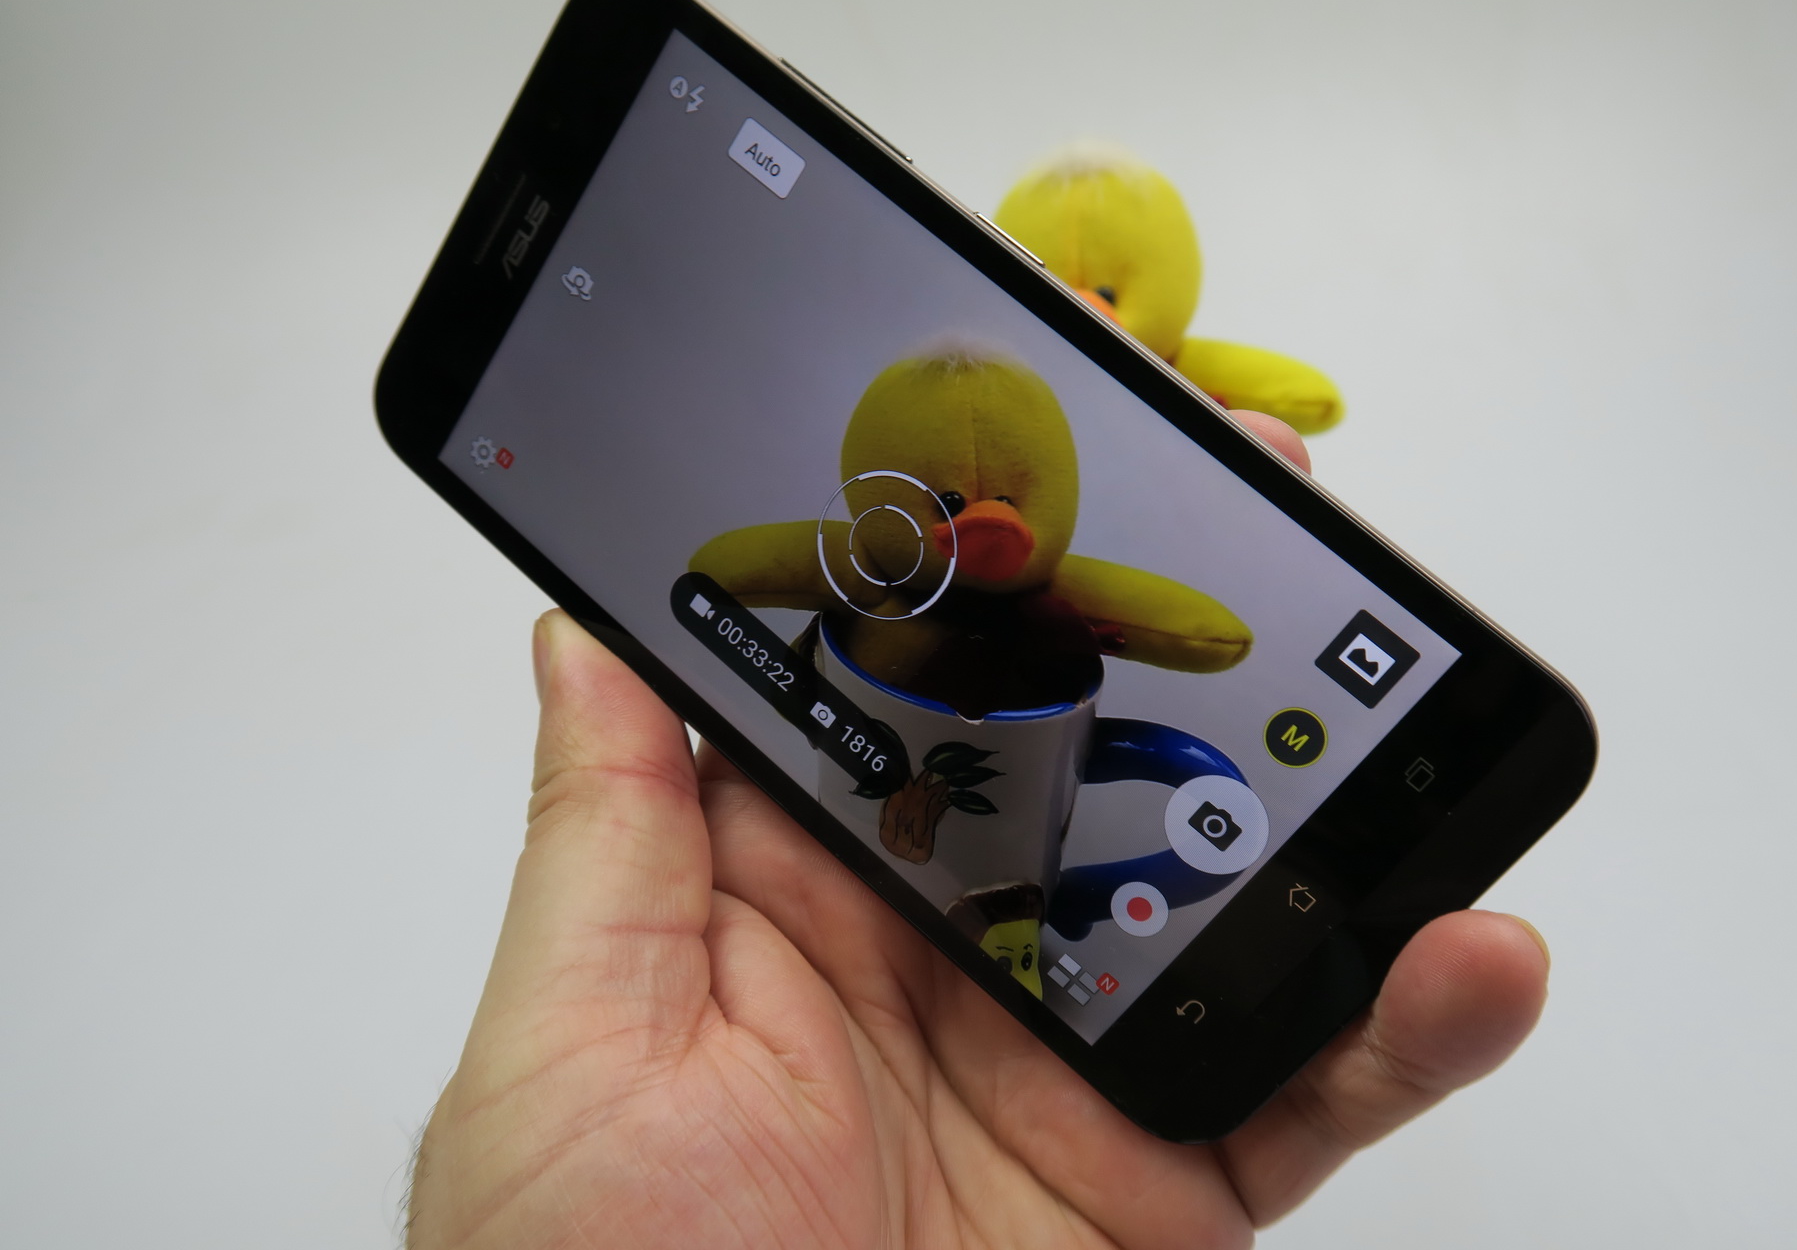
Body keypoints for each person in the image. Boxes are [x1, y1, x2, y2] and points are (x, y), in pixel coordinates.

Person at [403, 413, 1553, 1250]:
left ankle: (1038, 903)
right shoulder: (857, 573)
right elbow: (735, 565)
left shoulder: (1049, 610)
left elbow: (1200, 629)